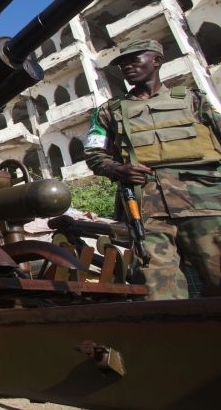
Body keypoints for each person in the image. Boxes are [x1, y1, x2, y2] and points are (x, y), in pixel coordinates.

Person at [85, 39, 221, 300]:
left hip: (207, 203)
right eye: (122, 63)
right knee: (158, 287)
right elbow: (93, 154)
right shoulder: (108, 112)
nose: (127, 66)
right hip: (147, 208)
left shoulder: (193, 100)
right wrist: (117, 169)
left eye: (135, 59)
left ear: (157, 60)